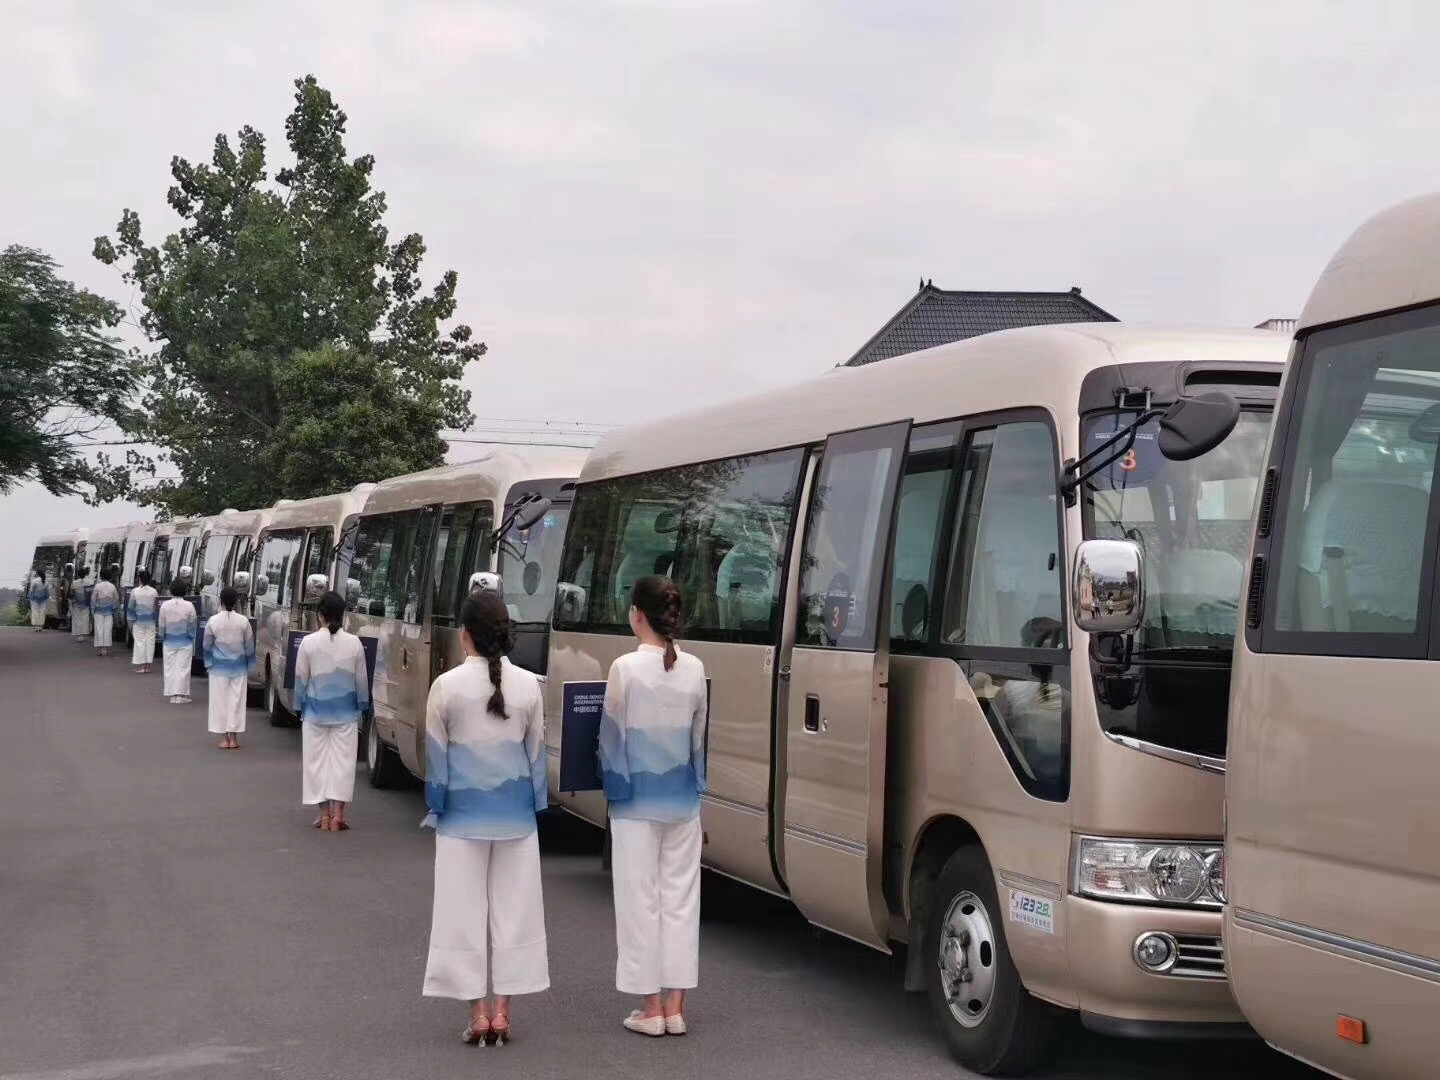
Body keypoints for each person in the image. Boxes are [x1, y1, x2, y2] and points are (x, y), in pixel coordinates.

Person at [421, 592, 549, 1046]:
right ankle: (503, 1013)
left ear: (465, 634)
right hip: (516, 818)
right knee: (517, 913)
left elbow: (436, 761)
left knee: (461, 912)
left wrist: (435, 805)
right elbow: (536, 757)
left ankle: (477, 1014)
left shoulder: (446, 686)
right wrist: (535, 808)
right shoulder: (530, 686)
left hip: (459, 819)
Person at [599, 575, 708, 1037]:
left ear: (636, 614)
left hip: (634, 804)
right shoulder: (695, 668)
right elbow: (698, 741)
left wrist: (613, 791)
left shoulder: (624, 668)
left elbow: (610, 742)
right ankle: (677, 1006)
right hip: (683, 802)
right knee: (681, 900)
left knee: (639, 900)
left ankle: (650, 1008)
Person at [294, 591, 369, 832]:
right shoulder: (355, 643)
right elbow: (361, 681)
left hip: (315, 713)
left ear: (320, 615)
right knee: (343, 765)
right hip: (346, 715)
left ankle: (323, 814)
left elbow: (301, 680)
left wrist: (298, 706)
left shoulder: (308, 643)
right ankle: (339, 815)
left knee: (316, 764)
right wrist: (362, 706)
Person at [204, 586, 255, 750]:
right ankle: (234, 738)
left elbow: (206, 645)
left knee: (220, 702)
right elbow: (249, 646)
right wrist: (250, 663)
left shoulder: (213, 621)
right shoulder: (243, 621)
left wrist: (208, 663)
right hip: (239, 667)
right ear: (236, 601)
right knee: (237, 701)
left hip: (218, 668)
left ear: (220, 601)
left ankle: (224, 738)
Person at [158, 580, 197, 703]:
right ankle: (181, 695)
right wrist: (191, 636)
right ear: (185, 591)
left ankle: (172, 694)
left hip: (169, 641)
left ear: (171, 590)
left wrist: (163, 636)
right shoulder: (189, 606)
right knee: (183, 668)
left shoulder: (165, 605)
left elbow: (162, 624)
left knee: (170, 668)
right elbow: (192, 624)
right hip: (185, 641)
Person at [128, 570, 159, 675]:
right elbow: (156, 607)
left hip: (138, 621)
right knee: (150, 643)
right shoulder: (154, 591)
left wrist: (130, 621)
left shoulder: (135, 591)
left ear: (139, 579)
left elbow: (131, 607)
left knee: (140, 643)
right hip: (151, 621)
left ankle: (142, 666)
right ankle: (148, 666)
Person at [90, 571, 120, 657]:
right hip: (109, 611)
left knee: (99, 629)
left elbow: (93, 599)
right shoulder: (112, 586)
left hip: (98, 611)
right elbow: (116, 599)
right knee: (107, 629)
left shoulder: (97, 586)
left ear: (101, 576)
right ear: (110, 576)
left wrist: (93, 609)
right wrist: (113, 609)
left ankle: (101, 649)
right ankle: (105, 649)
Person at [69, 567, 91, 642]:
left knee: (77, 619)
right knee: (85, 618)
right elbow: (89, 594)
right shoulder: (88, 583)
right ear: (85, 574)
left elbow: (72, 593)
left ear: (78, 574)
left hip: (76, 603)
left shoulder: (74, 583)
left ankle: (79, 635)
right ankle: (83, 634)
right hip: (85, 603)